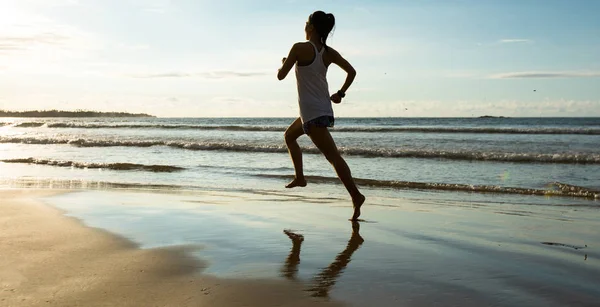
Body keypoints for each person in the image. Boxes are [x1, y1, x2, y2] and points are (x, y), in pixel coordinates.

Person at [277, 10, 365, 221]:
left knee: (333, 157)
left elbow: (281, 75)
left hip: (312, 113)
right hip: (318, 110)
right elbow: (352, 72)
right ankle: (300, 177)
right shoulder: (328, 52)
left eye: (306, 23)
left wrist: (284, 62)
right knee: (289, 136)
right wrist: (340, 94)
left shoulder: (299, 48)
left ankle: (356, 195)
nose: (304, 26)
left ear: (312, 28)